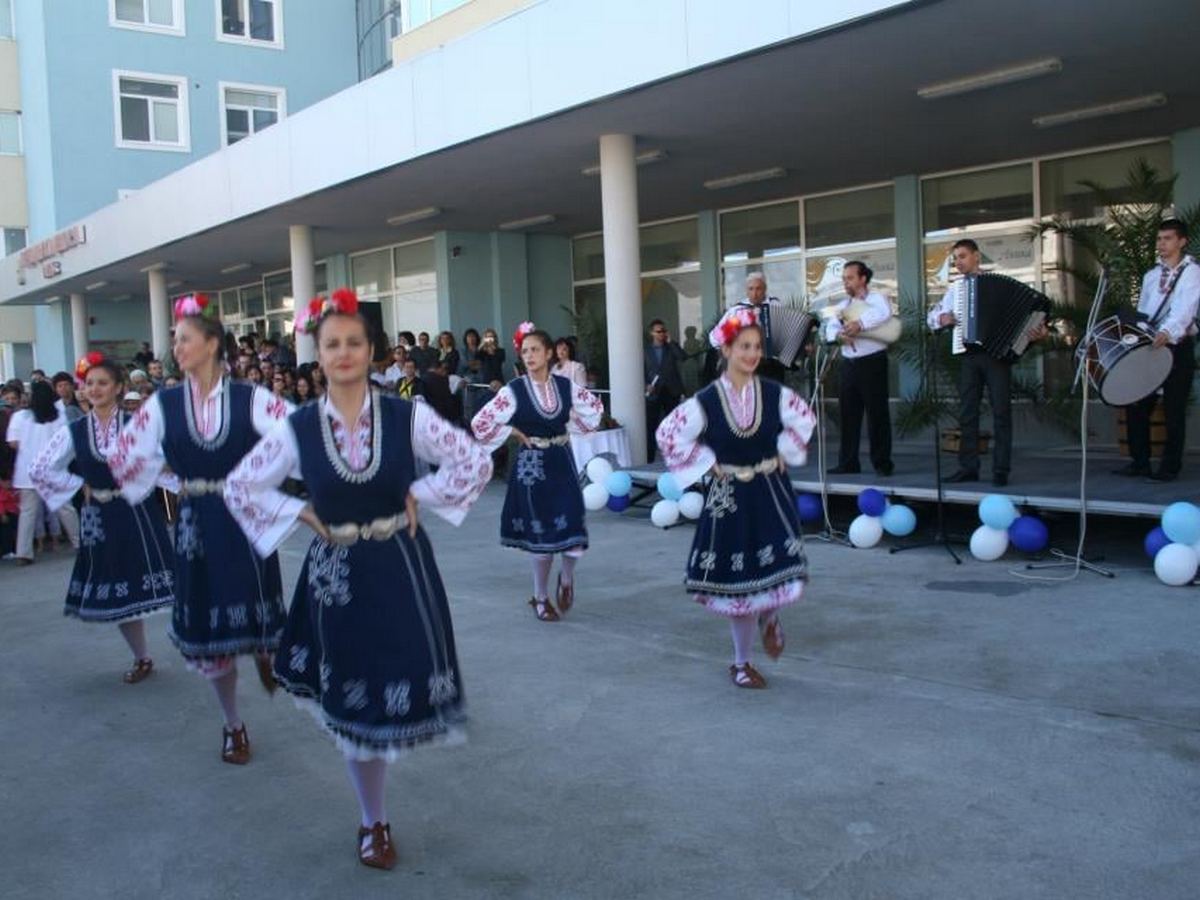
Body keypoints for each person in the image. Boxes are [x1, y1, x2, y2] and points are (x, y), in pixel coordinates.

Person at [225, 289, 492, 870]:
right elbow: (241, 484)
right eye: (331, 344)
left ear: (372, 350)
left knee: (393, 681)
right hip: (335, 579)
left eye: (354, 342)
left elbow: (473, 459)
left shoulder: (406, 415)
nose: (343, 353)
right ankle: (373, 820)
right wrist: (298, 511)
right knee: (353, 703)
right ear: (317, 355)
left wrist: (421, 492)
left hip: (400, 567)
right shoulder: (297, 428)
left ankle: (375, 813)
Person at [108, 293, 291, 765]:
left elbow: (297, 436)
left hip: (243, 518)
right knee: (212, 640)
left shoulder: (251, 398)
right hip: (195, 527)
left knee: (255, 611)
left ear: (212, 344)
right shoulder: (162, 405)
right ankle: (233, 724)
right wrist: (170, 475)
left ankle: (266, 648)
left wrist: (259, 479)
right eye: (175, 338)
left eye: (184, 337)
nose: (176, 345)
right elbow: (125, 457)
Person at [655, 307, 815, 689]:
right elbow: (667, 434)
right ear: (726, 350)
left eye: (757, 347)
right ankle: (741, 663)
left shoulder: (775, 393)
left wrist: (784, 450)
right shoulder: (706, 401)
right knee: (738, 580)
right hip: (728, 497)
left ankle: (771, 614)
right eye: (744, 346)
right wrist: (706, 463)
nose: (752, 354)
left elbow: (804, 419)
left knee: (777, 562)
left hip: (768, 490)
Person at [29, 354, 175, 682]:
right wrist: (78, 484)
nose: (94, 389)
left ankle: (196, 640)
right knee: (119, 589)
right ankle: (142, 657)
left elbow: (164, 462)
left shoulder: (136, 426)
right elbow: (39, 468)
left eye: (102, 383)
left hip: (137, 512)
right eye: (89, 383)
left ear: (119, 388)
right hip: (101, 516)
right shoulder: (76, 431)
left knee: (163, 580)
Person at [471, 323, 603, 622]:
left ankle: (566, 579)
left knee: (574, 531)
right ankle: (540, 597)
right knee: (541, 538)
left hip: (561, 460)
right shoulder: (514, 390)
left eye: (534, 350)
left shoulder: (566, 387)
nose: (528, 355)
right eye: (524, 351)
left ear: (548, 354)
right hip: (531, 468)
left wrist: (570, 425)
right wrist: (512, 430)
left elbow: (594, 409)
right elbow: (480, 422)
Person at [925, 238, 1047, 487]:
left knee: (1001, 412)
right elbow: (932, 318)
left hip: (997, 356)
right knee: (967, 412)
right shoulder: (955, 290)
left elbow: (1029, 319)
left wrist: (1038, 332)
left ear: (976, 257)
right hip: (969, 355)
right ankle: (968, 467)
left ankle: (1001, 469)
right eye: (955, 259)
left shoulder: (999, 285)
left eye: (962, 256)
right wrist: (942, 318)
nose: (958, 262)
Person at [1115, 218, 1198, 482]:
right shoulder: (1151, 276)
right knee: (1136, 401)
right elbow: (1145, 311)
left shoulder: (1192, 272)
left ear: (1182, 241)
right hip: (1151, 346)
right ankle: (1140, 461)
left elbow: (1186, 309)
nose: (1162, 244)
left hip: (1178, 346)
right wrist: (1138, 331)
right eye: (1159, 239)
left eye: (1168, 239)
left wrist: (1168, 332)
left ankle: (1169, 466)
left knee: (1174, 407)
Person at [823, 261, 895, 476]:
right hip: (850, 364)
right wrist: (838, 335)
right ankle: (848, 462)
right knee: (848, 415)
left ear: (863, 278)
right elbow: (831, 327)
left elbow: (883, 314)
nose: (846, 282)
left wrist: (859, 324)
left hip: (872, 362)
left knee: (877, 414)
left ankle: (882, 462)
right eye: (844, 278)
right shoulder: (844, 305)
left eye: (850, 278)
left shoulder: (877, 299)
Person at [6, 380, 80, 565]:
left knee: (28, 513)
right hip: (52, 470)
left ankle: (24, 553)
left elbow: (13, 443)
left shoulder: (20, 417)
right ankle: (80, 544)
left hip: (27, 471)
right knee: (65, 508)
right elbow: (66, 442)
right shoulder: (59, 416)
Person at [644, 319, 686, 461]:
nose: (661, 333)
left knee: (674, 426)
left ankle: (675, 456)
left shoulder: (671, 347)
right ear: (652, 333)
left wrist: (671, 341)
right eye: (658, 331)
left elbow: (682, 357)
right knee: (651, 426)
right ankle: (649, 458)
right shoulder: (646, 351)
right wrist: (645, 384)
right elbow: (640, 370)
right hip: (654, 392)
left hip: (671, 391)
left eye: (663, 330)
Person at [734, 272, 787, 383]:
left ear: (765, 289)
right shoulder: (738, 310)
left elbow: (787, 330)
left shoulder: (775, 305)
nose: (755, 293)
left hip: (774, 363)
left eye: (758, 289)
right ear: (746, 291)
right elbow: (717, 336)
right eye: (751, 289)